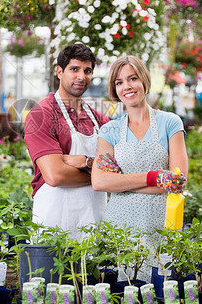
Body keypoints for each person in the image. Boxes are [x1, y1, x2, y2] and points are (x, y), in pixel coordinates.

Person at [92, 55, 188, 281]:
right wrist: (154, 177)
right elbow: (100, 182)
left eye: (132, 78)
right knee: (121, 290)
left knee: (162, 287)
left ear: (144, 79)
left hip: (161, 223)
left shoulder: (170, 122)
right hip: (120, 226)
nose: (127, 86)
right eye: (119, 82)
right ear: (114, 89)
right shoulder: (109, 130)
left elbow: (178, 182)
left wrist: (122, 185)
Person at [24, 43, 110, 240]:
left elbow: (119, 165)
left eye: (87, 71)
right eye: (74, 69)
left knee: (91, 269)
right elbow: (55, 176)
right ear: (59, 72)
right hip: (54, 222)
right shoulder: (41, 114)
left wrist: (84, 162)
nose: (82, 76)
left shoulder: (100, 120)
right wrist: (102, 177)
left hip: (94, 222)